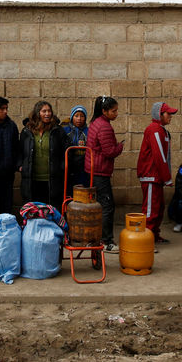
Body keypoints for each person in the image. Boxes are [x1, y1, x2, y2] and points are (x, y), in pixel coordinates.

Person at [85, 96, 124, 253]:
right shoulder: (105, 127)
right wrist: (119, 147)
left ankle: (93, 239)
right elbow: (109, 151)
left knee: (98, 206)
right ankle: (106, 241)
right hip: (100, 171)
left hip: (93, 170)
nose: (116, 113)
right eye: (113, 111)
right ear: (104, 111)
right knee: (107, 206)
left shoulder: (95, 123)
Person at [137, 101, 178, 243]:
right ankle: (145, 241)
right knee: (150, 210)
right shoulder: (154, 130)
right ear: (159, 114)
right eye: (168, 113)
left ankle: (153, 235)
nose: (170, 116)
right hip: (150, 176)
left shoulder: (161, 130)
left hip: (156, 177)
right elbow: (159, 155)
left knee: (158, 207)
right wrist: (167, 178)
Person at [19, 101, 67, 212]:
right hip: (32, 178)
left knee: (51, 209)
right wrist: (20, 165)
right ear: (37, 113)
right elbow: (20, 151)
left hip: (52, 178)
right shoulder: (27, 131)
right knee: (34, 209)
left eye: (49, 111)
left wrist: (62, 167)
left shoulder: (57, 131)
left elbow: (66, 151)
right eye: (44, 111)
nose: (47, 114)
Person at [62, 105, 89, 189]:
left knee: (82, 189)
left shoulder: (88, 131)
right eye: (76, 116)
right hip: (68, 165)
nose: (79, 119)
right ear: (72, 117)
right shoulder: (65, 131)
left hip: (83, 166)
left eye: (82, 116)